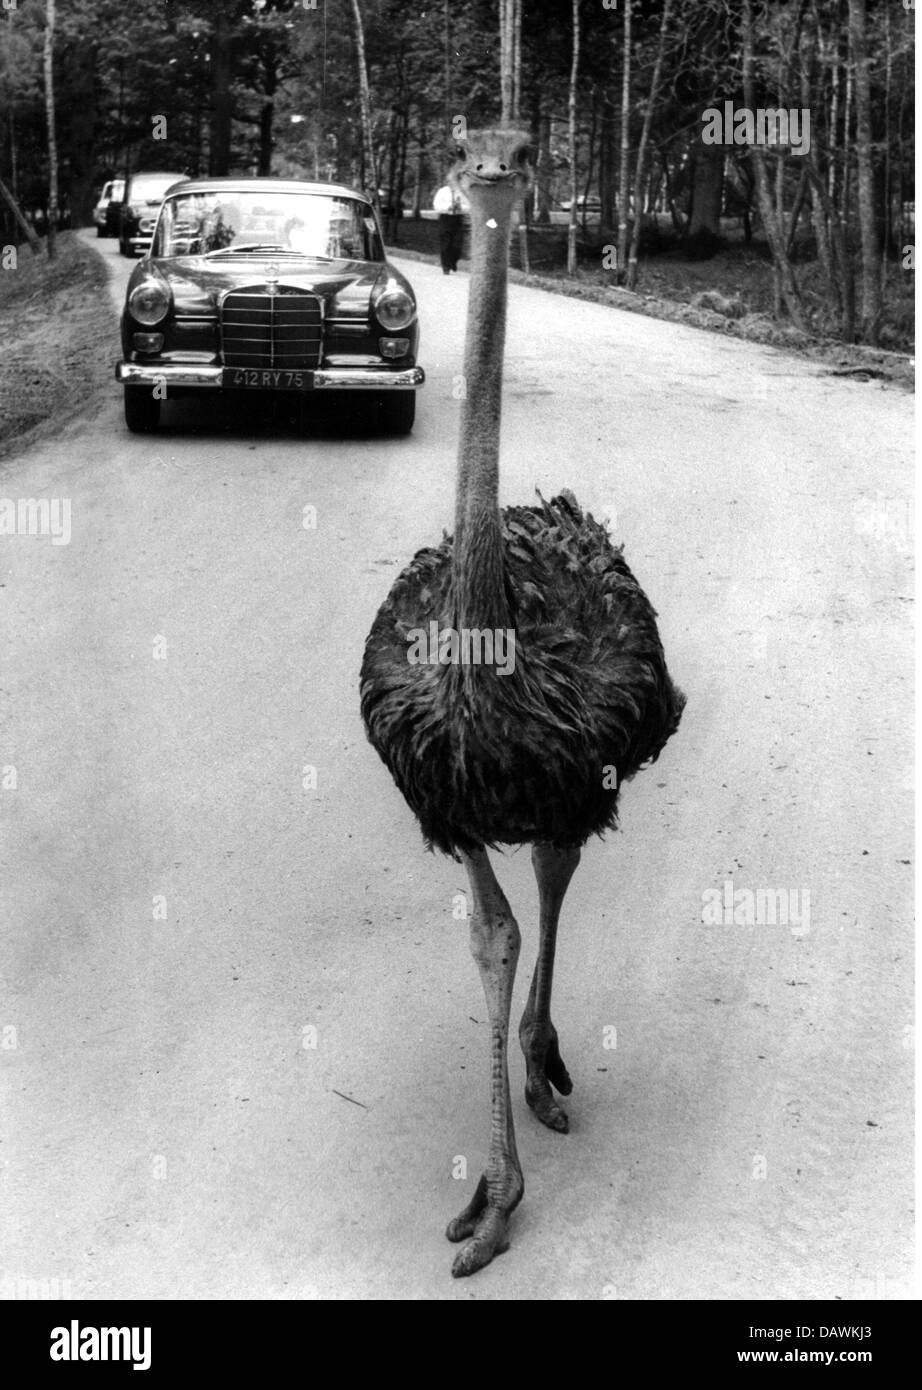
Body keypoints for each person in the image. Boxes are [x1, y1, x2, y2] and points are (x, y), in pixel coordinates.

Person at [433, 182, 468, 274]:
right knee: (446, 243)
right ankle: (446, 267)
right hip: (445, 218)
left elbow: (468, 206)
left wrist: (460, 207)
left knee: (457, 244)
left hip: (458, 218)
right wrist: (449, 207)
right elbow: (437, 206)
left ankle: (453, 261)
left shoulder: (462, 192)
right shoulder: (442, 191)